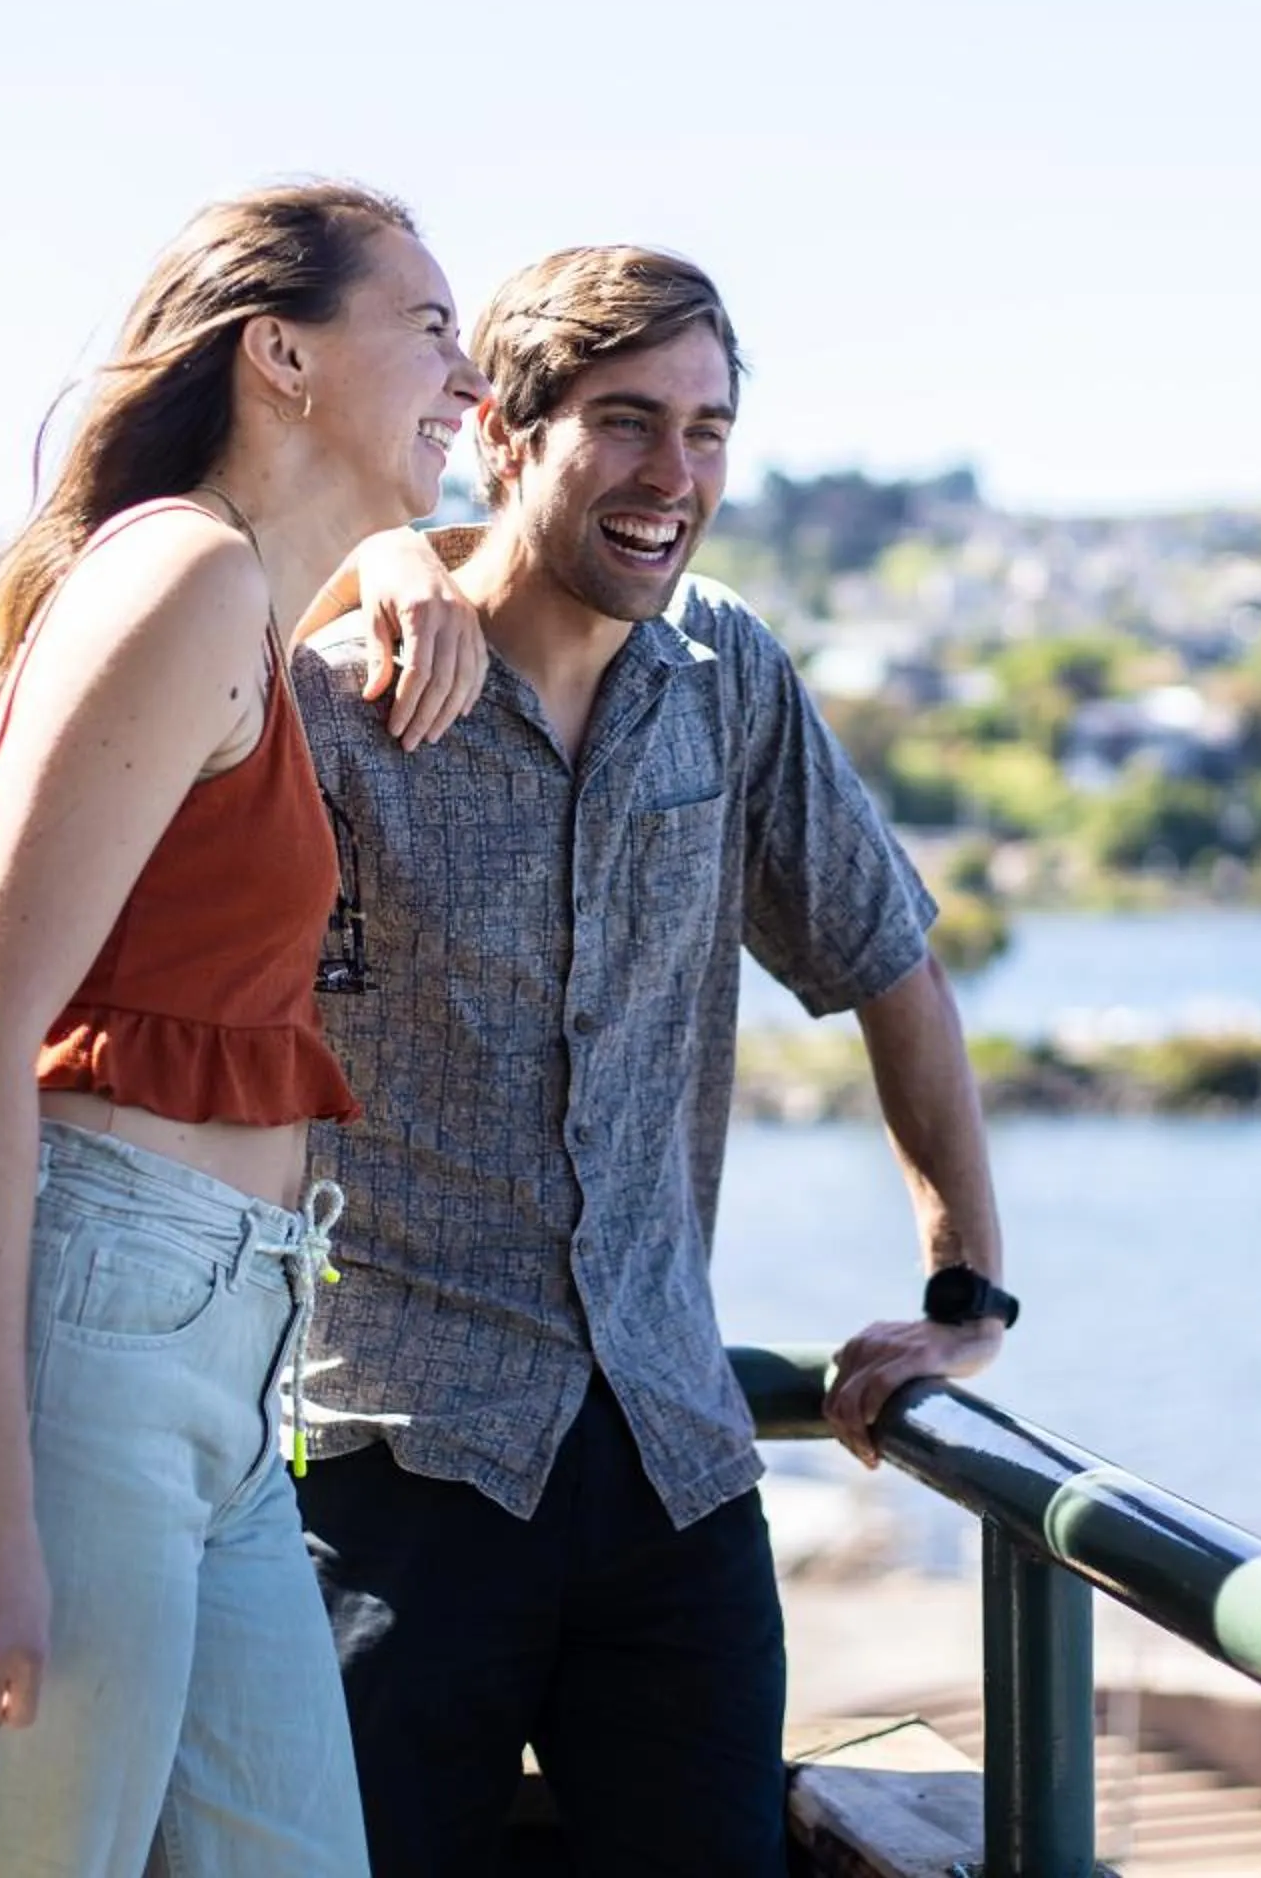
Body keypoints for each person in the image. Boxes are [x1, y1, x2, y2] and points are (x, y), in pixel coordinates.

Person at [0, 180, 488, 1877]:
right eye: (433, 331)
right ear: (285, 357)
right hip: (66, 1340)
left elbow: (351, 570)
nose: (471, 385)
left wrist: (399, 544)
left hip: (218, 1374)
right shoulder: (178, 573)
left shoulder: (232, 586)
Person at [288, 244, 1017, 1877]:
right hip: (396, 1477)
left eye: (706, 430)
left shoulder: (728, 680)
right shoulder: (333, 708)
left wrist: (964, 1296)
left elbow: (888, 957)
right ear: (504, 432)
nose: (670, 477)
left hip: (676, 1478)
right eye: (625, 423)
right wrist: (376, 562)